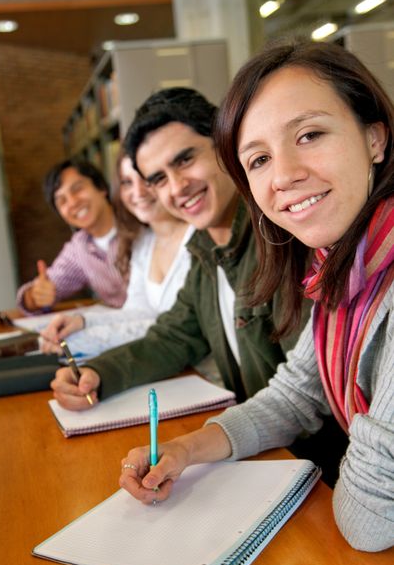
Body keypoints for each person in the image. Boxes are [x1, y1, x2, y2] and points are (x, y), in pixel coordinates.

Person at [119, 39, 394, 553]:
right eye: (260, 158)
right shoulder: (341, 265)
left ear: (374, 138)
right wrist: (184, 449)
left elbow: (368, 519)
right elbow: (296, 394)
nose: (285, 174)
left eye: (310, 134)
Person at [50, 87, 307, 409]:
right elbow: (173, 337)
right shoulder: (206, 250)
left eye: (185, 159)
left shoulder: (285, 237)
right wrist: (97, 373)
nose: (177, 187)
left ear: (225, 143)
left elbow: (306, 396)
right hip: (261, 441)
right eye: (158, 179)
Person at [40, 151, 193, 359]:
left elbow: (174, 325)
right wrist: (82, 321)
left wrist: (81, 338)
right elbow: (139, 310)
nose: (138, 192)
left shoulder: (140, 231)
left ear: (103, 189)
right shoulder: (144, 245)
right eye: (127, 183)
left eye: (147, 178)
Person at [16, 159, 128, 314]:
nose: (73, 203)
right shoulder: (78, 248)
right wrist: (35, 296)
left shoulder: (139, 220)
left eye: (77, 189)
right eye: (62, 201)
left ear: (101, 188)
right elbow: (48, 286)